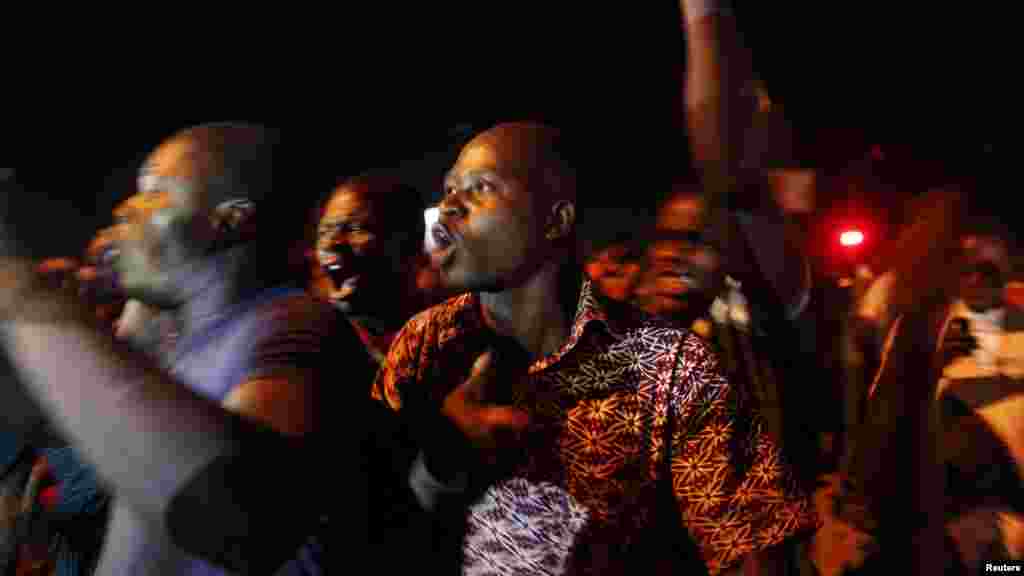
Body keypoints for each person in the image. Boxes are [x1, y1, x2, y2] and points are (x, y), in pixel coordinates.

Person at [372, 120, 817, 575]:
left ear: (554, 221)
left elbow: (752, 549)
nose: (450, 207)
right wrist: (442, 459)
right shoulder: (434, 349)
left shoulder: (678, 365)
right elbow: (378, 523)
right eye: (449, 190)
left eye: (480, 188)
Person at [1, 123, 375, 574]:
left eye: (154, 191)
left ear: (232, 218)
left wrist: (23, 296)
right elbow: (51, 426)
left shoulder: (294, 323)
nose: (124, 209)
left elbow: (245, 519)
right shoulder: (177, 345)